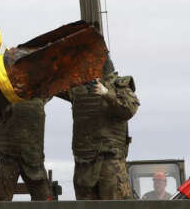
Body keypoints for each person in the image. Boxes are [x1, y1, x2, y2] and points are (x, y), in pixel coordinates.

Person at [58, 56, 140, 200]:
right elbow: (54, 87)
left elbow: (129, 109)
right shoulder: (79, 88)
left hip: (110, 162)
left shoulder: (119, 86)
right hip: (84, 162)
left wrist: (106, 93)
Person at [0, 98, 52, 201]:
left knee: (43, 198)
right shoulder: (0, 91)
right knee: (1, 199)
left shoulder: (38, 93)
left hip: (32, 157)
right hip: (9, 157)